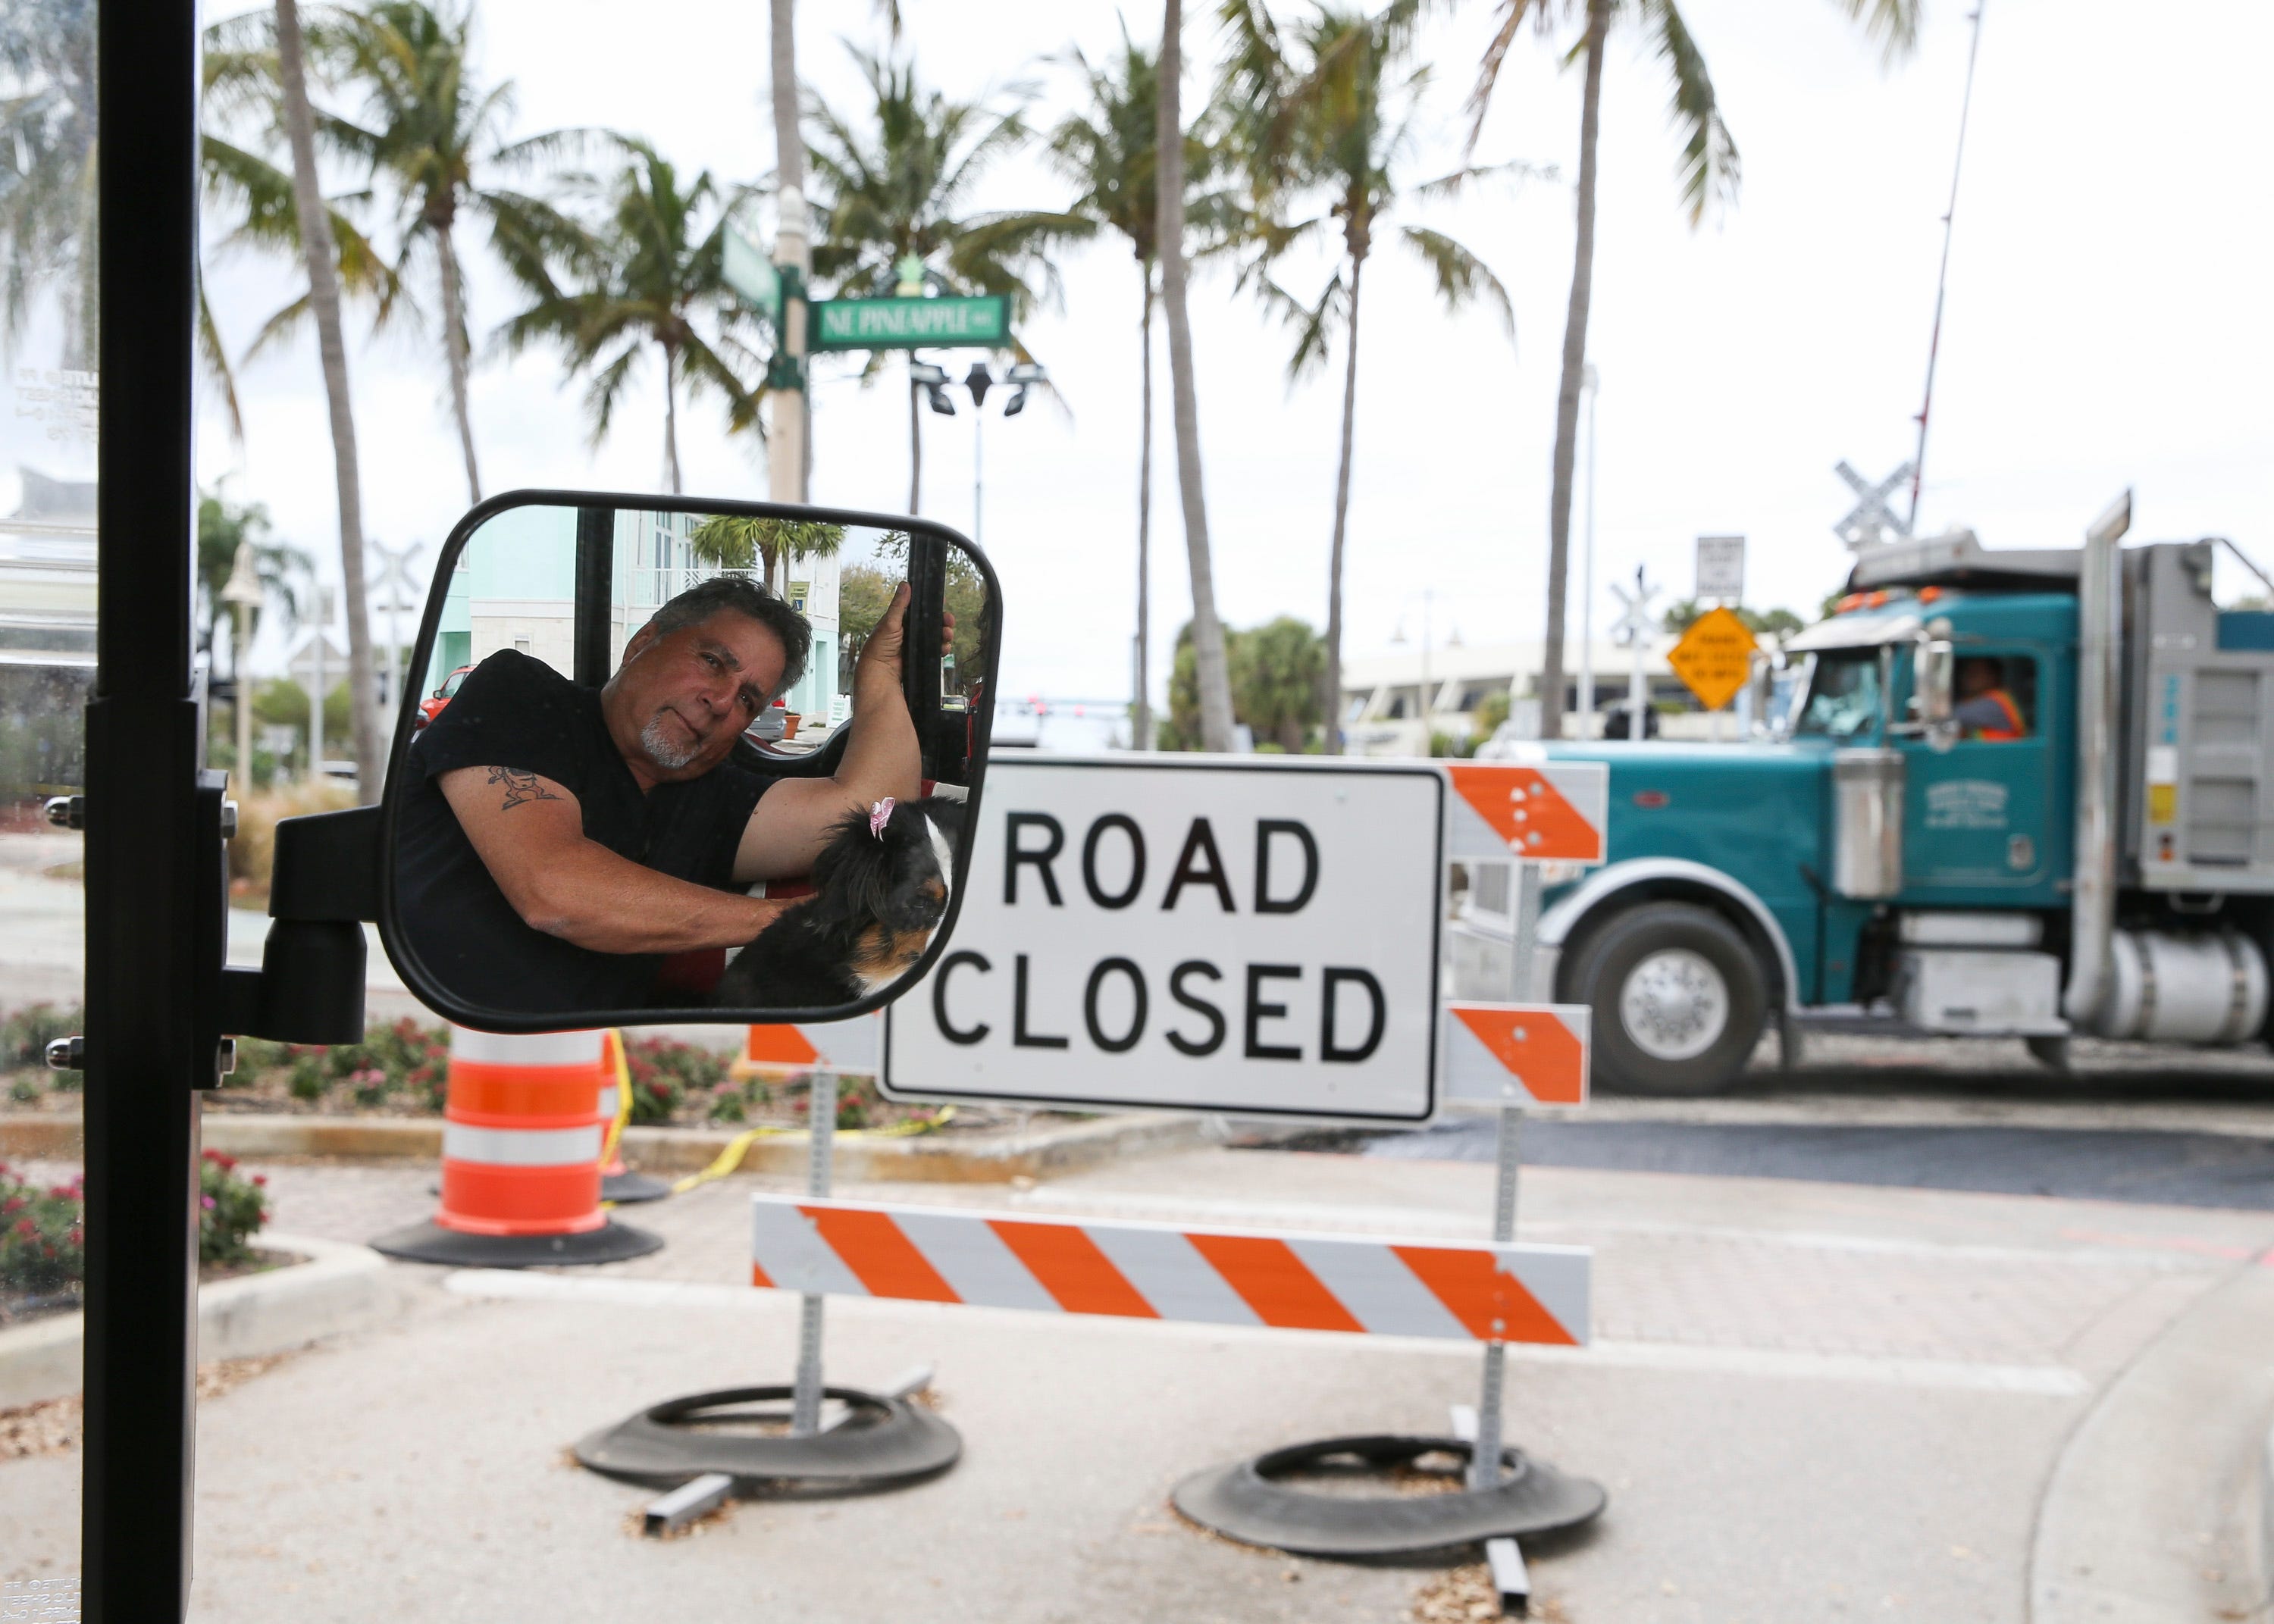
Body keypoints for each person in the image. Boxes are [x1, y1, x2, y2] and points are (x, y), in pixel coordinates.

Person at [396, 573, 930, 1015]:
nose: (721, 701)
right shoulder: (522, 697)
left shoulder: (713, 798)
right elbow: (556, 891)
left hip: (595, 1079)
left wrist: (879, 671)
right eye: (713, 661)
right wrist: (803, 920)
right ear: (642, 643)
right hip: (419, 1037)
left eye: (748, 698)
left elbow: (874, 803)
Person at [1953, 656, 2026, 740]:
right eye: (1967, 671)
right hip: (1992, 752)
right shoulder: (1979, 699)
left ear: (1993, 676)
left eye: (1976, 672)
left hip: (2005, 752)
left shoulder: (1994, 703)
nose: (1969, 676)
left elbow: (1952, 716)